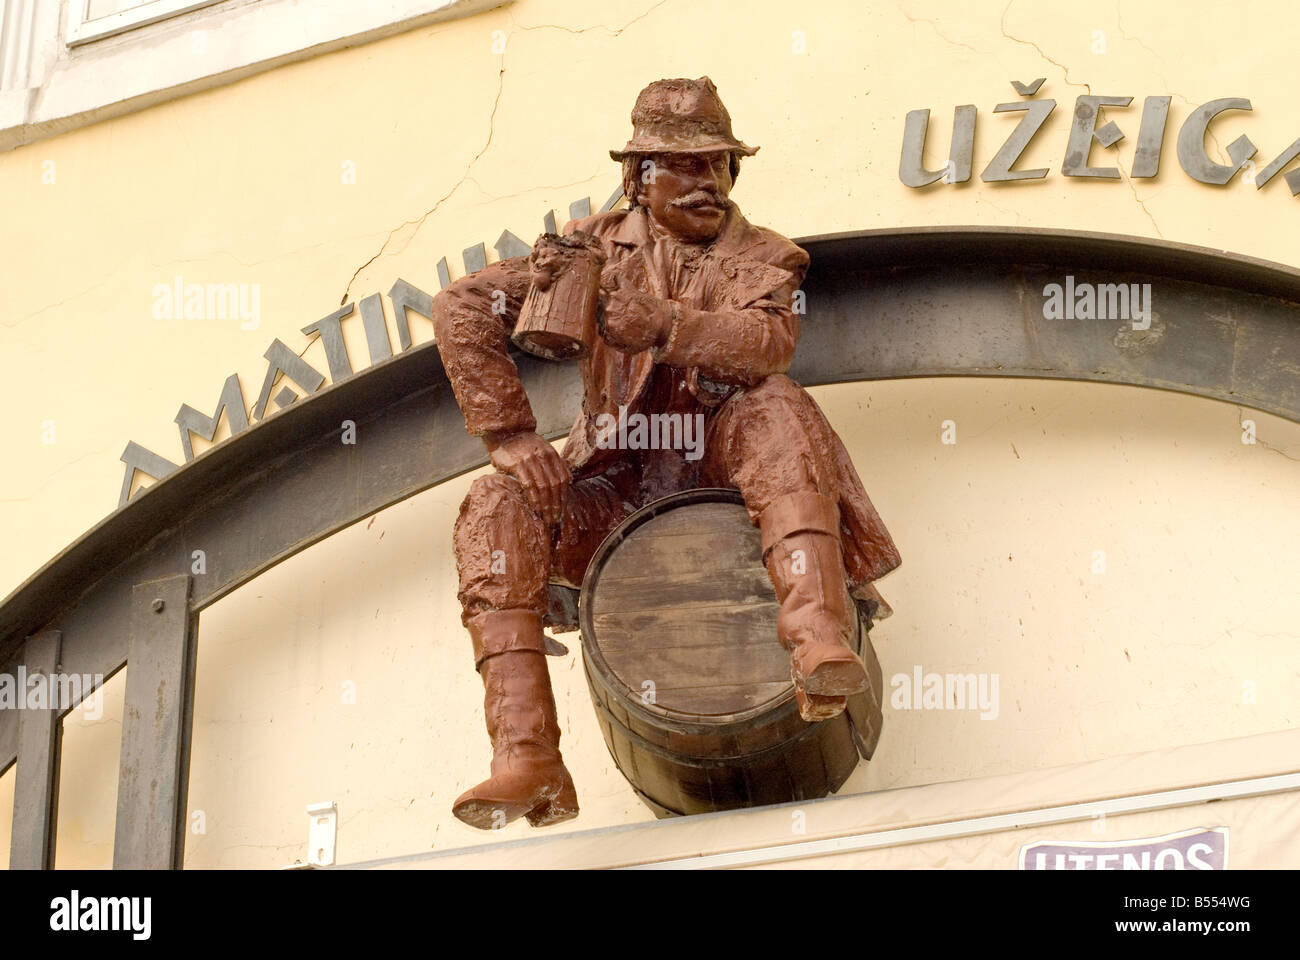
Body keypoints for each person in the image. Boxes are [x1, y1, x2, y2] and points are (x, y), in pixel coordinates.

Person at [432, 77, 900, 830]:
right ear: (637, 177)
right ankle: (528, 757)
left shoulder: (765, 256)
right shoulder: (590, 248)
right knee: (492, 505)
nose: (707, 181)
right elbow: (461, 307)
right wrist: (511, 435)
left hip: (728, 467)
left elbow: (766, 342)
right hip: (617, 490)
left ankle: (817, 638)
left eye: (718, 164)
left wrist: (665, 323)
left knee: (777, 404)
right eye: (683, 166)